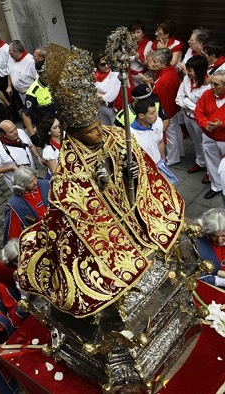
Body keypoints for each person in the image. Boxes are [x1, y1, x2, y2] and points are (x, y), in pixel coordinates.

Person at [17, 44, 185, 318]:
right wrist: (101, 186)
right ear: (74, 132)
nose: (97, 133)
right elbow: (72, 204)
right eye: (89, 131)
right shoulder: (67, 169)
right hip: (108, 232)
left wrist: (131, 172)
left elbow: (140, 166)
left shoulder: (115, 136)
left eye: (96, 126)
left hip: (135, 217)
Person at [140, 48, 182, 166]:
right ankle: (180, 152)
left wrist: (147, 83)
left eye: (155, 62)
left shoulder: (163, 79)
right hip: (173, 106)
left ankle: (173, 158)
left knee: (170, 134)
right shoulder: (170, 71)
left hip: (167, 109)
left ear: (163, 64)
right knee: (175, 130)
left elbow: (155, 95)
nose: (151, 63)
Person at [176, 55, 211, 176]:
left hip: (200, 120)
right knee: (196, 141)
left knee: (206, 145)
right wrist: (190, 104)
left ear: (199, 71)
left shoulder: (209, 86)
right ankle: (200, 162)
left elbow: (204, 109)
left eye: (190, 70)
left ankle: (210, 170)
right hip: (188, 117)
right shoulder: (187, 79)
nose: (187, 73)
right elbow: (178, 99)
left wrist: (187, 102)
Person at [195, 70, 225, 200]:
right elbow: (198, 112)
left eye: (216, 84)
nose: (212, 87)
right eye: (212, 83)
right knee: (211, 162)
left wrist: (222, 124)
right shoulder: (207, 94)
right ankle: (216, 186)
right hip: (208, 136)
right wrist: (205, 123)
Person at [3, 166, 50, 244]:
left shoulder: (46, 184)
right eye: (30, 182)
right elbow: (13, 233)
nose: (35, 182)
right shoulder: (15, 206)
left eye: (34, 178)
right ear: (22, 185)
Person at [0, 239, 28, 328]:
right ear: (10, 262)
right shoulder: (3, 287)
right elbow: (15, 319)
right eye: (17, 261)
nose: (23, 264)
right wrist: (24, 298)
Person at [0, 119, 38, 191]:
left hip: (33, 177)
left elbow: (31, 145)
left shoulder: (21, 132)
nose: (15, 132)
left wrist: (38, 156)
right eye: (11, 132)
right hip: (20, 185)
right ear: (3, 134)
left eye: (15, 128)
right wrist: (10, 168)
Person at [23, 60, 56, 143]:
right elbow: (25, 114)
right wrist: (32, 134)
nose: (48, 76)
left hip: (58, 123)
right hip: (45, 128)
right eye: (45, 73)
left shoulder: (54, 83)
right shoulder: (33, 92)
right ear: (39, 74)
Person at [196, 209, 225, 287]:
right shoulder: (196, 248)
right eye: (214, 236)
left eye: (223, 236)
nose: (219, 241)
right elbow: (193, 278)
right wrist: (218, 281)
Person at [7, 40, 37, 106]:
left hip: (33, 95)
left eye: (10, 51)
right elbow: (9, 71)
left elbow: (38, 80)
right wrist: (9, 86)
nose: (8, 53)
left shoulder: (31, 62)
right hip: (21, 95)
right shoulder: (11, 58)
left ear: (16, 51)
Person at [94, 53, 120, 125]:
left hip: (111, 109)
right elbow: (89, 91)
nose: (106, 66)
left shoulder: (115, 75)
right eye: (103, 64)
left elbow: (110, 97)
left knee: (114, 131)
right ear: (98, 65)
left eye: (108, 63)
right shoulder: (95, 75)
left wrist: (97, 95)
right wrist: (101, 95)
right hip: (99, 109)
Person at [128, 20, 152, 85]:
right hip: (131, 77)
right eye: (133, 32)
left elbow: (148, 64)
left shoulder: (149, 44)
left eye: (138, 32)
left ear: (143, 33)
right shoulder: (127, 44)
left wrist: (137, 59)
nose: (136, 35)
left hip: (144, 77)